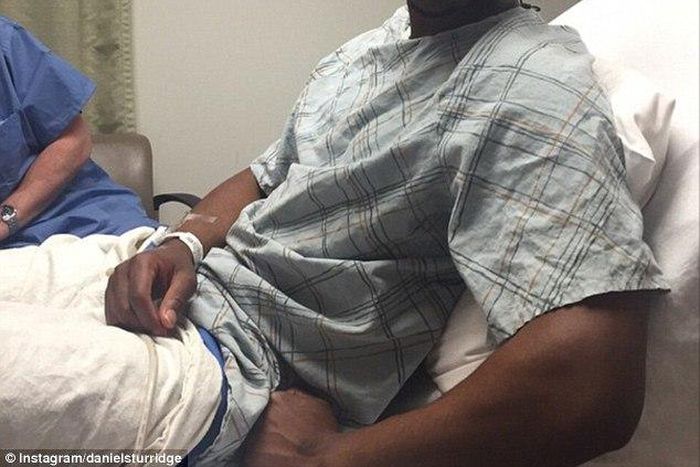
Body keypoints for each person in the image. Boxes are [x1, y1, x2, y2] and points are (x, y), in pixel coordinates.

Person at [88, 0, 669, 465]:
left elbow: (591, 385)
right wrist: (182, 243)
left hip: (236, 364)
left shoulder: (531, 82)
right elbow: (264, 176)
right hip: (178, 295)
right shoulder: (374, 46)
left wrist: (331, 457)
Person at [0, 16, 159, 249]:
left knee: (151, 262)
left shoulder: (6, 42)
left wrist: (6, 219)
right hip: (11, 249)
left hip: (81, 215)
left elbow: (73, 141)